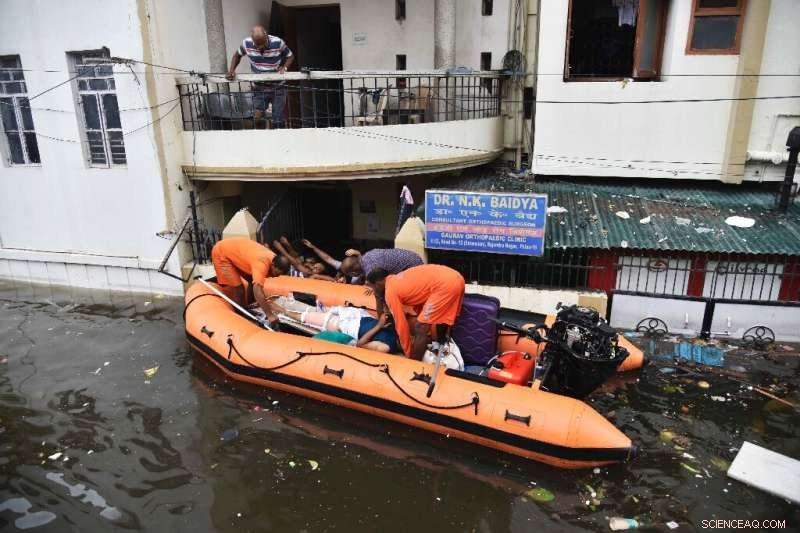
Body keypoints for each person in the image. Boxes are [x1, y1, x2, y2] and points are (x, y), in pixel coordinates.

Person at [366, 264, 465, 360]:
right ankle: (441, 344)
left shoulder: (390, 291)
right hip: (457, 278)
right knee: (441, 318)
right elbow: (422, 294)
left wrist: (408, 352)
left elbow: (401, 325)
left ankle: (415, 363)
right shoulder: (396, 279)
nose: (373, 291)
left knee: (420, 327)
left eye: (372, 287)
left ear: (378, 284)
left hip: (445, 285)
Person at [210, 238, 290, 326]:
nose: (274, 276)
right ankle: (239, 318)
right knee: (239, 289)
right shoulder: (262, 263)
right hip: (222, 253)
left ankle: (249, 308)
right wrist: (270, 315)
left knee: (251, 280)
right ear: (273, 265)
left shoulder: (275, 259)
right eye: (275, 273)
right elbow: (257, 290)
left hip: (238, 252)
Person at [226, 25, 294, 128]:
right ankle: (261, 140)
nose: (261, 47)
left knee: (278, 119)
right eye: (258, 45)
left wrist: (284, 68)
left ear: (266, 35)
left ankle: (279, 140)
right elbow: (237, 56)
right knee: (257, 118)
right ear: (252, 40)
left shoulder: (278, 42)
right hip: (259, 87)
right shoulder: (246, 43)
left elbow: (290, 56)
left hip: (278, 86)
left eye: (263, 43)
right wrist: (231, 70)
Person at [275, 304, 399, 353]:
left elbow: (361, 345)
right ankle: (291, 308)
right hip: (357, 316)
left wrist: (378, 326)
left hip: (346, 327)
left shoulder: (386, 346)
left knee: (309, 318)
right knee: (322, 310)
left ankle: (283, 312)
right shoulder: (396, 330)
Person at [272, 238, 337, 281]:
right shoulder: (307, 266)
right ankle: (286, 246)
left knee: (297, 260)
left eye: (318, 269)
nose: (315, 267)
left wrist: (333, 280)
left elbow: (326, 278)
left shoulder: (310, 275)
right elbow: (296, 263)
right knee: (298, 260)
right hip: (291, 263)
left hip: (288, 270)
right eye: (316, 266)